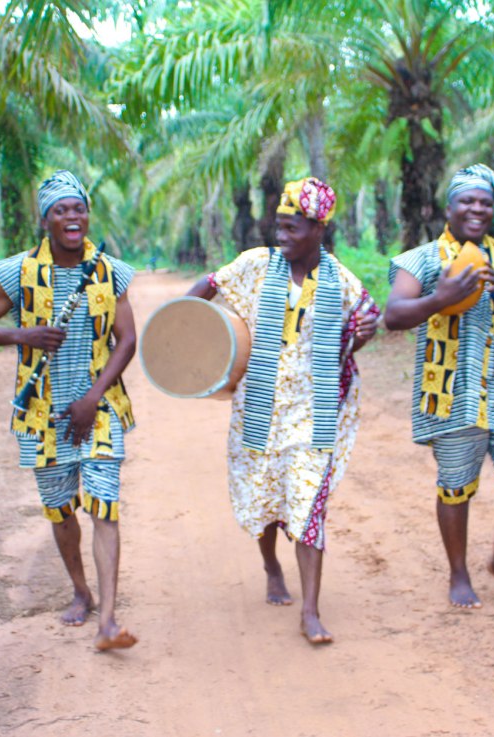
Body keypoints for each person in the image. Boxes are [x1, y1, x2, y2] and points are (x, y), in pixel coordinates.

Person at [186, 176, 380, 644]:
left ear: (318, 228)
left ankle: (310, 612)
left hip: (313, 413)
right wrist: (183, 334)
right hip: (260, 407)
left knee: (309, 503)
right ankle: (272, 565)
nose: (282, 236)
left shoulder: (340, 280)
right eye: (279, 227)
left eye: (292, 228)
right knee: (267, 498)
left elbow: (370, 318)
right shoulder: (257, 265)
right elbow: (207, 286)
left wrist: (356, 337)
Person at [0, 170, 139, 651]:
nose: (72, 217)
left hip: (98, 406)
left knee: (104, 504)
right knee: (61, 511)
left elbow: (127, 341)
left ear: (87, 215)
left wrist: (92, 398)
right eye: (61, 210)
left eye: (78, 208)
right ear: (45, 219)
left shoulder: (110, 271)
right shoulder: (20, 272)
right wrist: (23, 334)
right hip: (41, 414)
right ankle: (81, 592)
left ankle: (108, 619)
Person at [384, 164, 494, 609]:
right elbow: (394, 315)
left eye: (485, 202)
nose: (477, 208)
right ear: (449, 207)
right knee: (455, 485)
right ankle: (459, 574)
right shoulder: (420, 259)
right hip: (452, 394)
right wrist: (440, 297)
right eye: (467, 201)